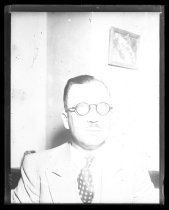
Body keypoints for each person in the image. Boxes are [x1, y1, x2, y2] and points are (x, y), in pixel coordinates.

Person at [11, 75, 158, 203]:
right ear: (66, 120)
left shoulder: (134, 165)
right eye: (81, 108)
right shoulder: (35, 165)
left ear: (110, 115)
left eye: (102, 107)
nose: (94, 118)